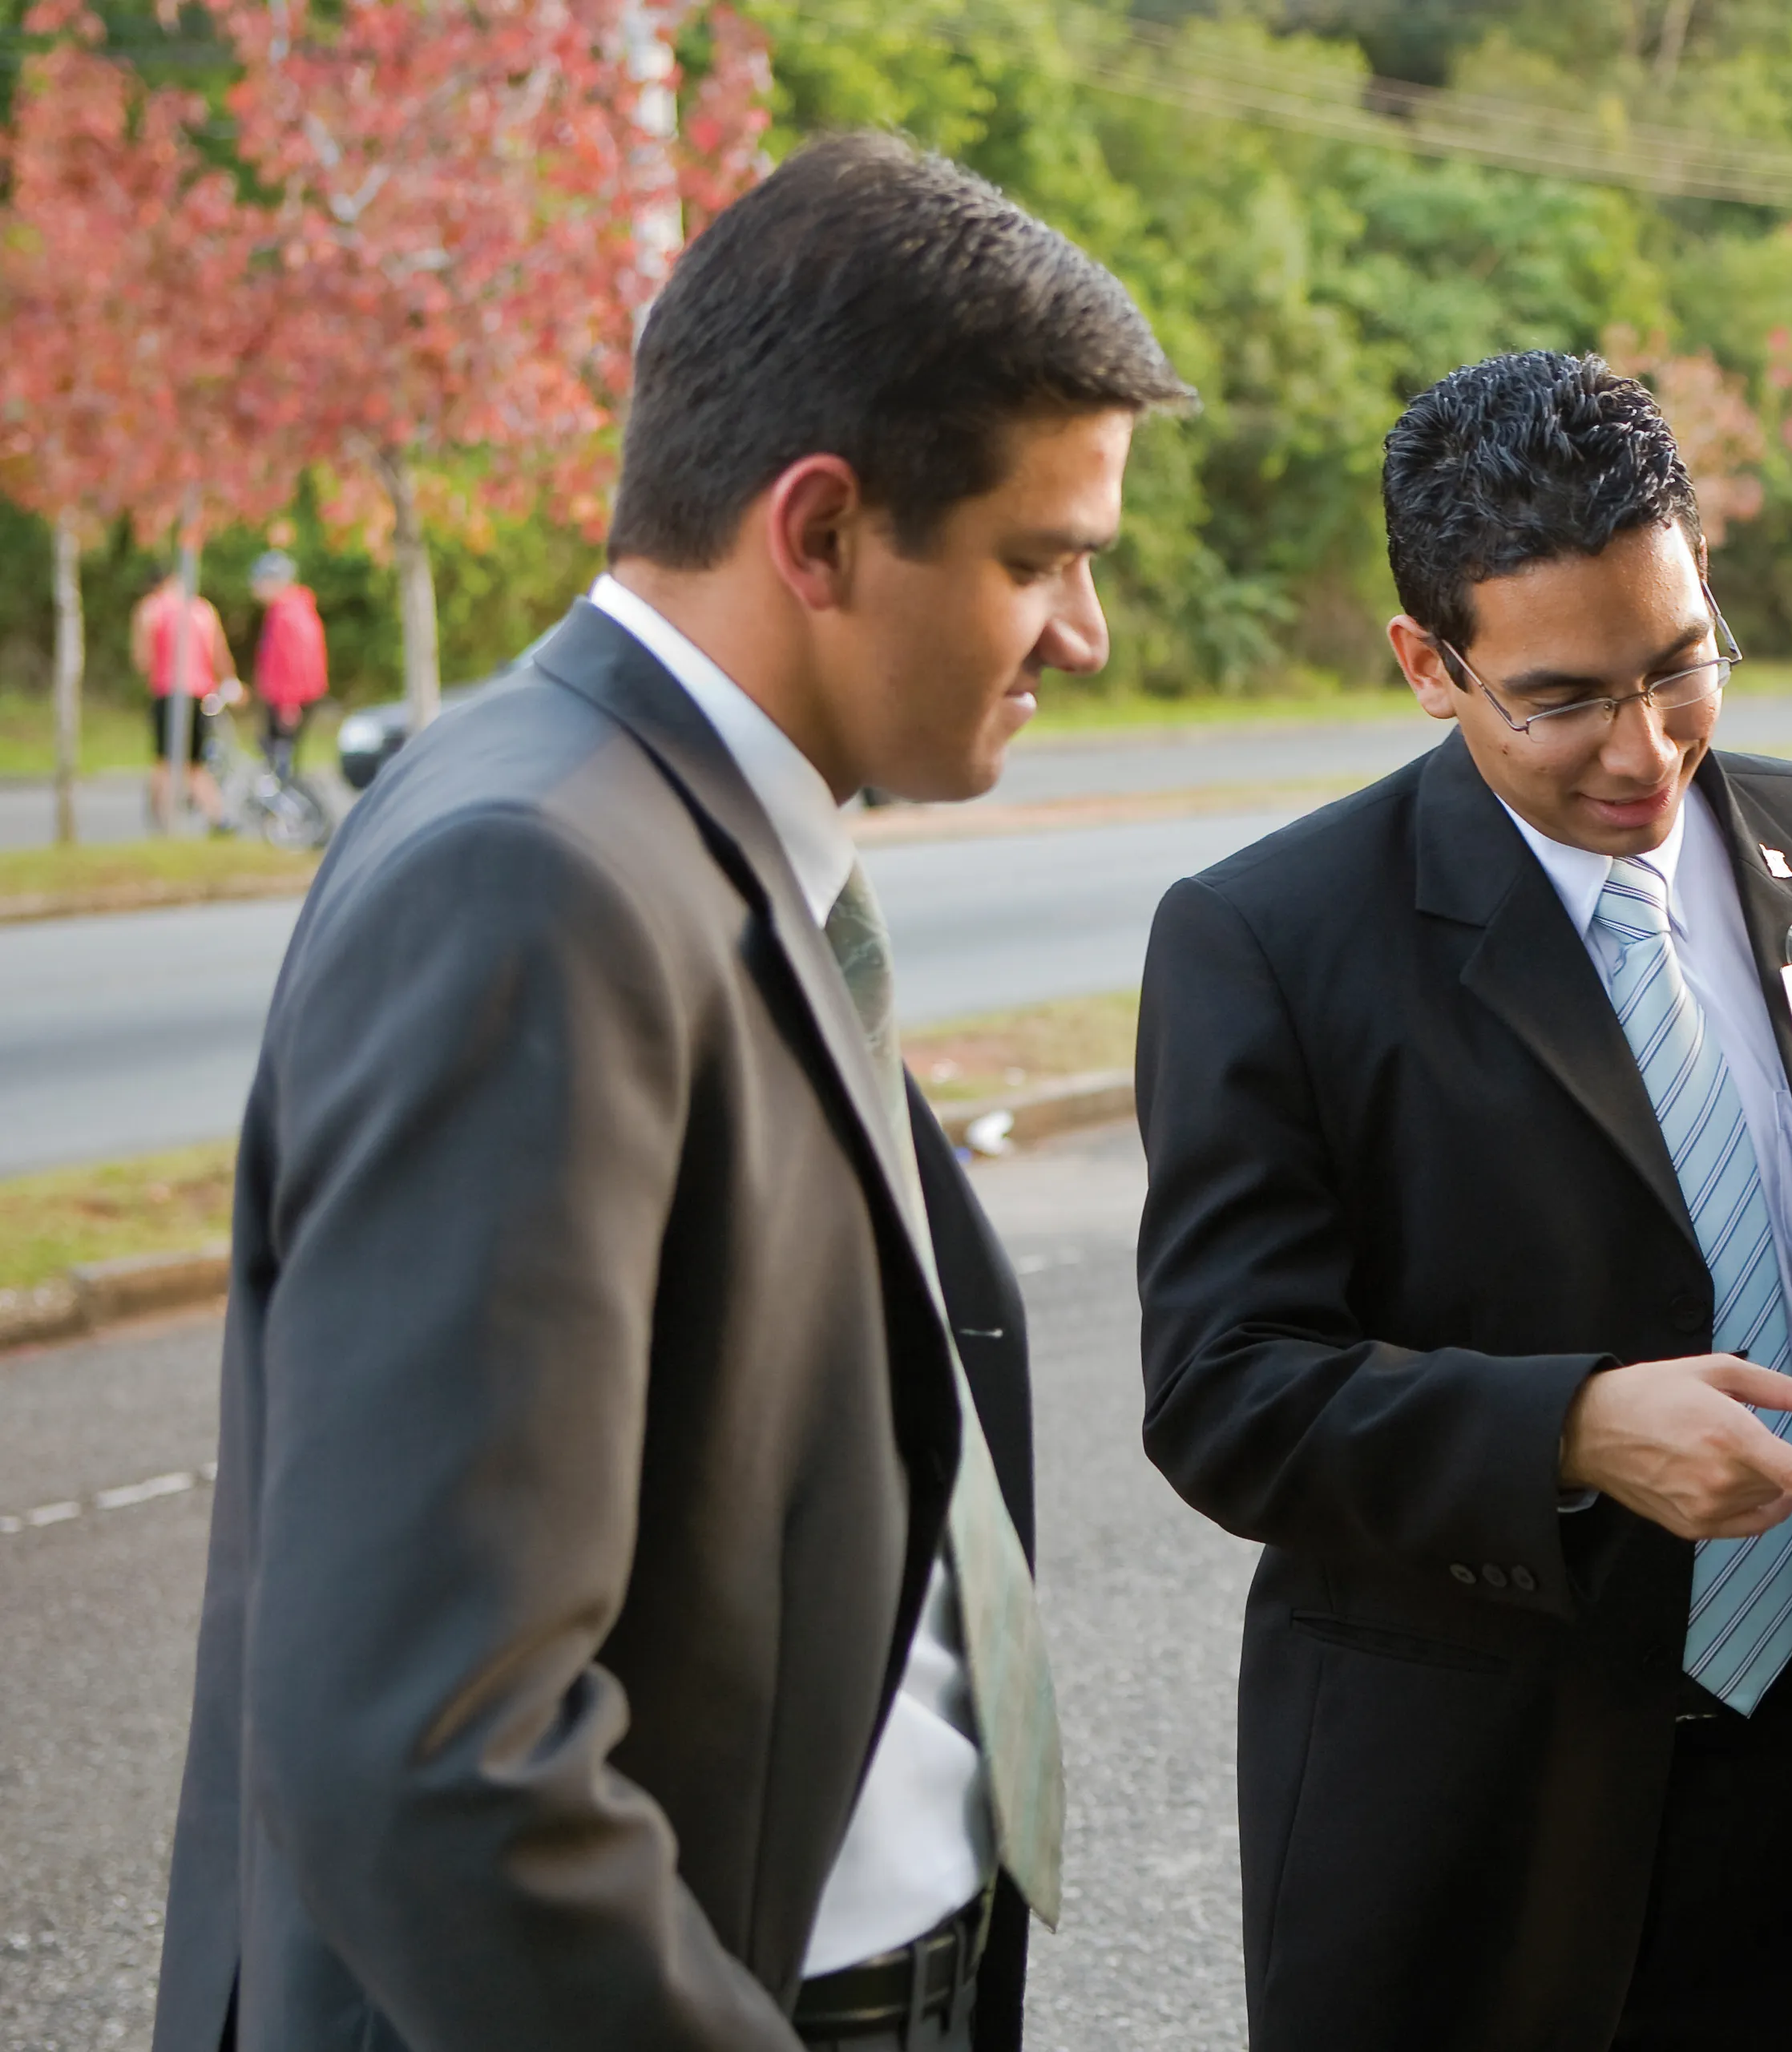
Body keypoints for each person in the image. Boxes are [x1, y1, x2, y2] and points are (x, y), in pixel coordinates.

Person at [153, 133, 1189, 2052]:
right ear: (819, 532)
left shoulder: (659, 818)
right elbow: (429, 1747)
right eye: (1036, 559)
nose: (1082, 631)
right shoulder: (534, 878)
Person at [1134, 350, 1792, 2051]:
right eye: (1563, 698)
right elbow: (1224, 1392)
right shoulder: (1271, 940)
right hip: (1479, 1841)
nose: (1643, 748)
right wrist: (1571, 1429)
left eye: (1678, 666)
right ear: (1427, 666)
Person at [131, 568, 233, 829]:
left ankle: (163, 821)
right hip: (200, 693)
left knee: (164, 760)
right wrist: (228, 682)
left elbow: (142, 658)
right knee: (196, 762)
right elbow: (219, 653)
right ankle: (218, 817)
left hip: (168, 690)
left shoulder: (151, 609)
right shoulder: (202, 609)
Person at [247, 549, 328, 780]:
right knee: (277, 757)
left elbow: (296, 660)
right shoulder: (290, 609)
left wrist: (289, 704)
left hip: (289, 700)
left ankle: (286, 799)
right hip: (287, 697)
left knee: (281, 761)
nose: (255, 588)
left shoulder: (288, 614)